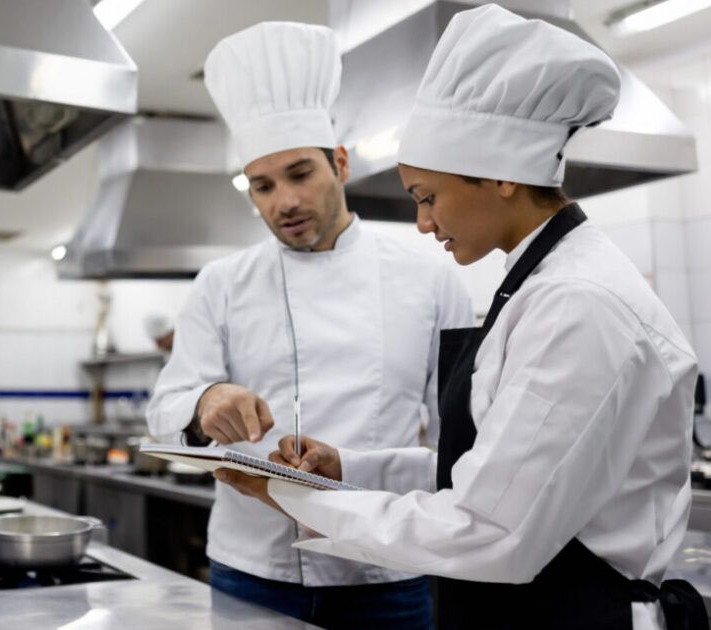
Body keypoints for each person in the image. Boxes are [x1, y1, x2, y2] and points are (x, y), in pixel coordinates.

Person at [214, 6, 708, 630]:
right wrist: (351, 468)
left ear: (501, 176)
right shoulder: (537, 284)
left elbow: (489, 528)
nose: (423, 222)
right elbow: (497, 465)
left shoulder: (578, 304)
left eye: (427, 197)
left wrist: (294, 495)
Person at [146, 21, 473, 629]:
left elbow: (463, 436)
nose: (283, 203)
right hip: (250, 568)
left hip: (385, 571)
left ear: (340, 163)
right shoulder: (221, 283)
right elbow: (166, 403)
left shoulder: (432, 279)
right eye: (262, 186)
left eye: (300, 175)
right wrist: (205, 399)